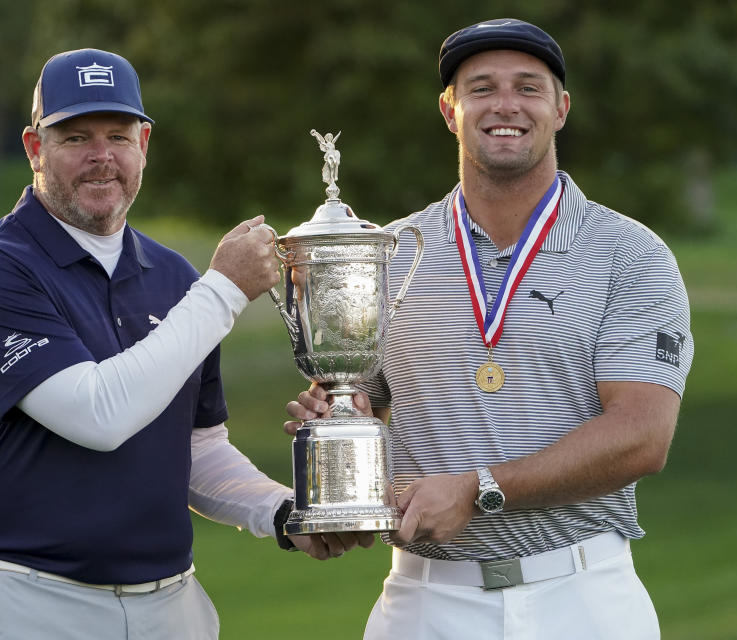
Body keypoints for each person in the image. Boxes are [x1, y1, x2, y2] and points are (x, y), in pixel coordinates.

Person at [0, 48, 370, 640]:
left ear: (145, 145)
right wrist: (222, 292)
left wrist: (284, 512)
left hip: (170, 602)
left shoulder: (172, 277)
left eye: (118, 135)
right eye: (75, 137)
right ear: (35, 149)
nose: (101, 157)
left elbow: (192, 450)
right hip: (26, 600)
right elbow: (99, 414)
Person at [284, 18, 693, 639]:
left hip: (582, 594)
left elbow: (642, 435)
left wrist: (481, 491)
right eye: (482, 88)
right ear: (450, 110)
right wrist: (338, 432)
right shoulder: (391, 252)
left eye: (529, 87)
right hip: (427, 599)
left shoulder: (629, 253)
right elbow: (362, 402)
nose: (506, 105)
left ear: (562, 108)